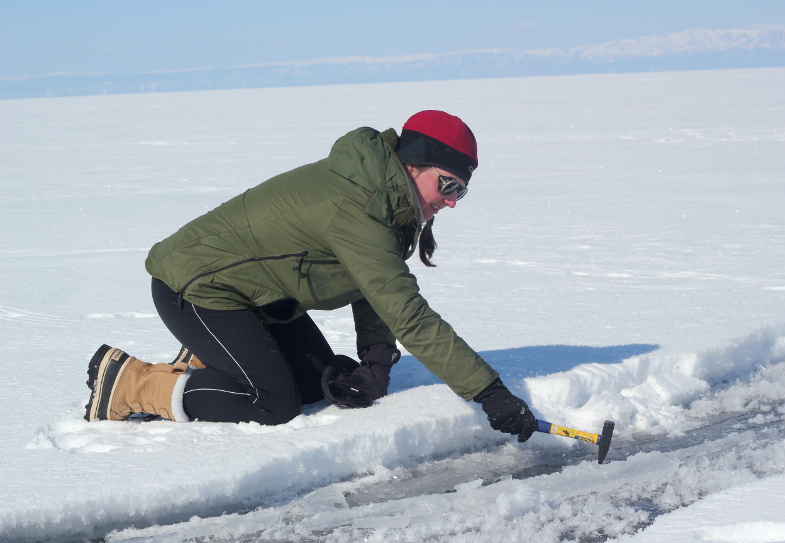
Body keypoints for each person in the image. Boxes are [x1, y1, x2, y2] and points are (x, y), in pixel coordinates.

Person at [84, 110, 537, 442]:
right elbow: (408, 315)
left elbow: (373, 287)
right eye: (449, 185)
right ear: (415, 165)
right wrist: (489, 392)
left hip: (254, 300)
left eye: (463, 190)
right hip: (196, 287)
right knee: (273, 405)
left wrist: (375, 365)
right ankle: (130, 383)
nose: (453, 201)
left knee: (313, 386)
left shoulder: (388, 200)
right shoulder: (361, 206)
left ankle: (212, 356)